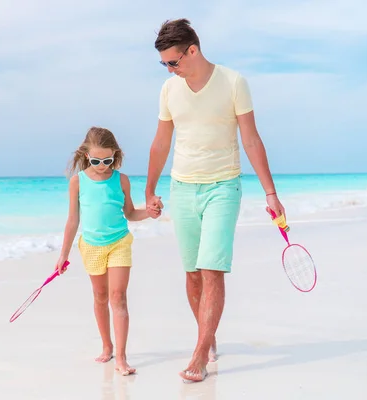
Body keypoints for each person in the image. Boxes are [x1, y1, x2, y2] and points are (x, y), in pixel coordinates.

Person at [145, 19, 286, 383]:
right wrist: (150, 190)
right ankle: (208, 337)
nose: (170, 70)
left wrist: (271, 192)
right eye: (164, 65)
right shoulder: (169, 90)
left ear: (193, 50)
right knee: (192, 275)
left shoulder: (233, 82)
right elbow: (161, 142)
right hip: (183, 187)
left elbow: (252, 140)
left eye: (173, 62)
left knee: (212, 269)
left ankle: (199, 353)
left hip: (224, 185)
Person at [56, 126, 158, 376]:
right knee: (100, 296)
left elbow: (131, 213)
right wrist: (63, 254)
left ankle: (121, 357)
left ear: (115, 155)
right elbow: (72, 220)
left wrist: (150, 212)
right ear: (86, 155)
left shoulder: (121, 179)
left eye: (108, 160)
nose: (102, 165)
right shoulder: (77, 182)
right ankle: (107, 346)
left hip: (119, 243)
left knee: (118, 296)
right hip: (91, 246)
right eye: (96, 160)